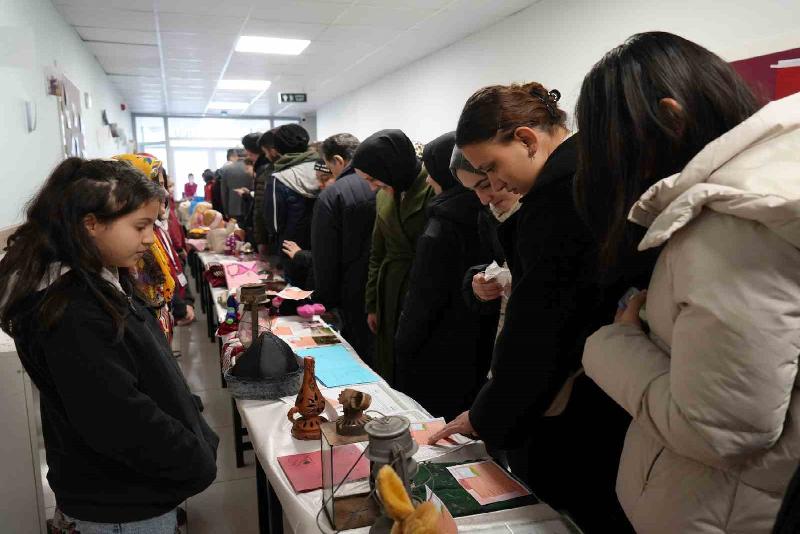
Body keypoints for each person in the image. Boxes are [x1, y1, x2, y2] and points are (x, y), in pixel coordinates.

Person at [575, 32, 800, 534]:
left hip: (724, 512)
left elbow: (719, 429)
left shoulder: (734, 221)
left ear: (670, 119)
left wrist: (613, 344)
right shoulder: (768, 185)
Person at [428, 82, 635, 532]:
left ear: (526, 139)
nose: (495, 186)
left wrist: (486, 414)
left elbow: (538, 332)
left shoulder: (559, 199)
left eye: (492, 170)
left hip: (578, 406)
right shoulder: (587, 174)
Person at [0, 158, 218, 533]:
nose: (150, 238)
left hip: (127, 490)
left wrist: (192, 420)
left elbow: (146, 369)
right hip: (121, 504)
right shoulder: (73, 312)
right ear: (91, 224)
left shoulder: (100, 276)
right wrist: (194, 459)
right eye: (140, 226)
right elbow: (119, 420)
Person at [394, 132, 496, 420]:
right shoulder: (492, 212)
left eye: (431, 172)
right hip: (481, 345)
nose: (427, 181)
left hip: (440, 350)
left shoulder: (440, 228)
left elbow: (423, 300)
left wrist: (402, 346)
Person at [353, 129, 434, 384]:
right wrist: (372, 305)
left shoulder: (431, 187)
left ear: (391, 167)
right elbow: (377, 252)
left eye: (372, 178)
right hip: (388, 290)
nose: (371, 186)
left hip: (422, 286)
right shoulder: (382, 196)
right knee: (388, 357)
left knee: (416, 358)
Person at [311, 133, 376, 363]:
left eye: (329, 165)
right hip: (381, 286)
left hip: (350, 289)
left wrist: (324, 299)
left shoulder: (332, 195)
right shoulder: (383, 183)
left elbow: (325, 255)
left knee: (355, 352)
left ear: (338, 161)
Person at [452, 146, 520, 341]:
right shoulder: (489, 217)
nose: (483, 199)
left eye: (485, 184)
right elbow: (491, 264)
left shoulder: (551, 211)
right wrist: (480, 284)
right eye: (473, 190)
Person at [263, 123, 320, 267]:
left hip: (291, 248)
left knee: (296, 289)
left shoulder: (278, 177)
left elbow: (274, 225)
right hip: (323, 245)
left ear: (278, 149)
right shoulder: (324, 168)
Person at [253, 129, 278, 258]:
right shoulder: (316, 165)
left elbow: (260, 209)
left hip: (277, 240)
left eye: (266, 152)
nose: (266, 156)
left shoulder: (268, 172)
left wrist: (261, 241)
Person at [218, 145, 252, 220]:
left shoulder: (226, 169)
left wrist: (225, 210)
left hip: (232, 209)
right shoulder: (252, 167)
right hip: (250, 208)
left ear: (235, 154)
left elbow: (224, 192)